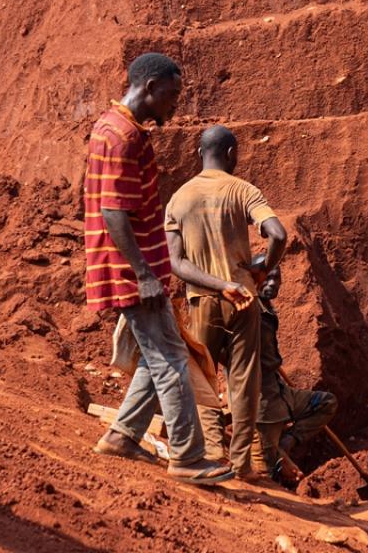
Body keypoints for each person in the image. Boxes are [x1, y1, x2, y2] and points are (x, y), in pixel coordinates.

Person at [85, 53, 233, 485]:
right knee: (170, 358)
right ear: (149, 87)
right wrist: (144, 273)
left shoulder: (116, 129)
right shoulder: (122, 137)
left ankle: (123, 434)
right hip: (133, 270)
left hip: (138, 265)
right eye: (171, 94)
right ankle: (188, 457)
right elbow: (113, 212)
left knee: (156, 357)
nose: (174, 105)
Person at [165, 125, 287, 479]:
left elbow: (176, 263)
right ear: (232, 154)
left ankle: (212, 453)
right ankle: (242, 463)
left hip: (202, 298)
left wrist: (217, 285)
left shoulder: (179, 198)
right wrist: (264, 267)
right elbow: (278, 233)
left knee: (204, 375)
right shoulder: (243, 190)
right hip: (243, 300)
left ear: (199, 154)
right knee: (243, 379)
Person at [249, 254, 338, 486]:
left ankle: (287, 442)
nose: (271, 283)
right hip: (262, 401)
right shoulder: (249, 310)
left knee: (326, 403)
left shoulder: (268, 308)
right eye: (266, 278)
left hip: (279, 392)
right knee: (265, 475)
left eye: (276, 279)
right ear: (254, 278)